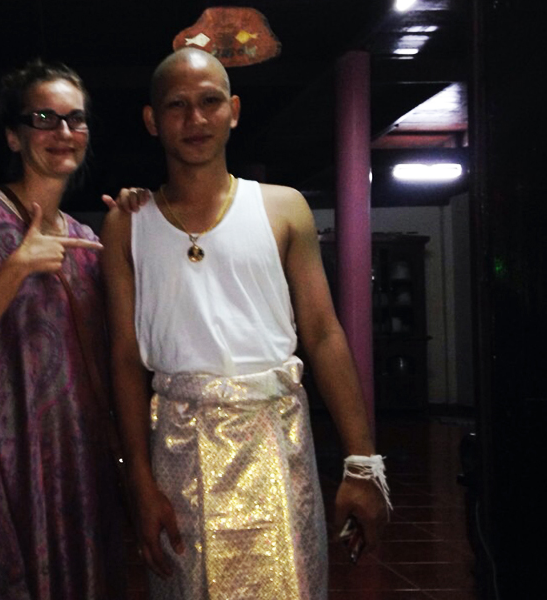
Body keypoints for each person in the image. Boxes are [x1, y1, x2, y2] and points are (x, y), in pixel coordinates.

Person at [101, 47, 390, 600]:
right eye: (177, 105)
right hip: (179, 447)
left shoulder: (284, 208)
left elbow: (324, 335)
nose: (195, 119)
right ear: (152, 120)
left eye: (210, 101)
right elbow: (124, 357)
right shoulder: (126, 225)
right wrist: (137, 478)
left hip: (276, 440)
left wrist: (361, 462)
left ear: (233, 111)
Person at [0, 58, 125, 600]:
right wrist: (16, 266)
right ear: (14, 136)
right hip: (7, 471)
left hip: (83, 473)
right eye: (44, 118)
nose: (63, 131)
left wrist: (135, 231)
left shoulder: (87, 239)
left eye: (75, 119)